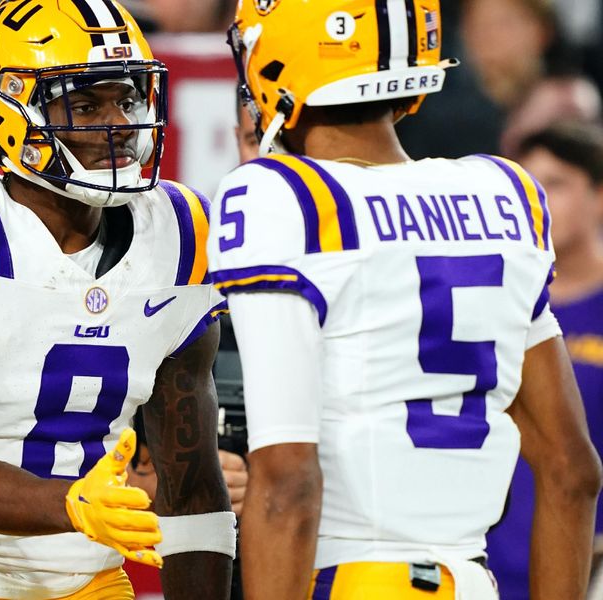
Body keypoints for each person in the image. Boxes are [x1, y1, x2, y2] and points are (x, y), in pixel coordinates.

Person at [207, 1, 602, 599]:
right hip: (471, 579)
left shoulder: (282, 196)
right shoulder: (503, 191)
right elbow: (573, 472)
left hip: (349, 576)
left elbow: (287, 483)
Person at [0, 1, 236, 599]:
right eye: (85, 104)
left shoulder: (180, 228)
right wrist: (73, 504)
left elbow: (191, 488)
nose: (119, 124)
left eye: (128, 98)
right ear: (10, 109)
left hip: (91, 580)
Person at [486, 121, 603, 600]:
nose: (538, 201)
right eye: (529, 186)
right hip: (485, 561)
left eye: (555, 184)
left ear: (599, 196)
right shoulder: (493, 305)